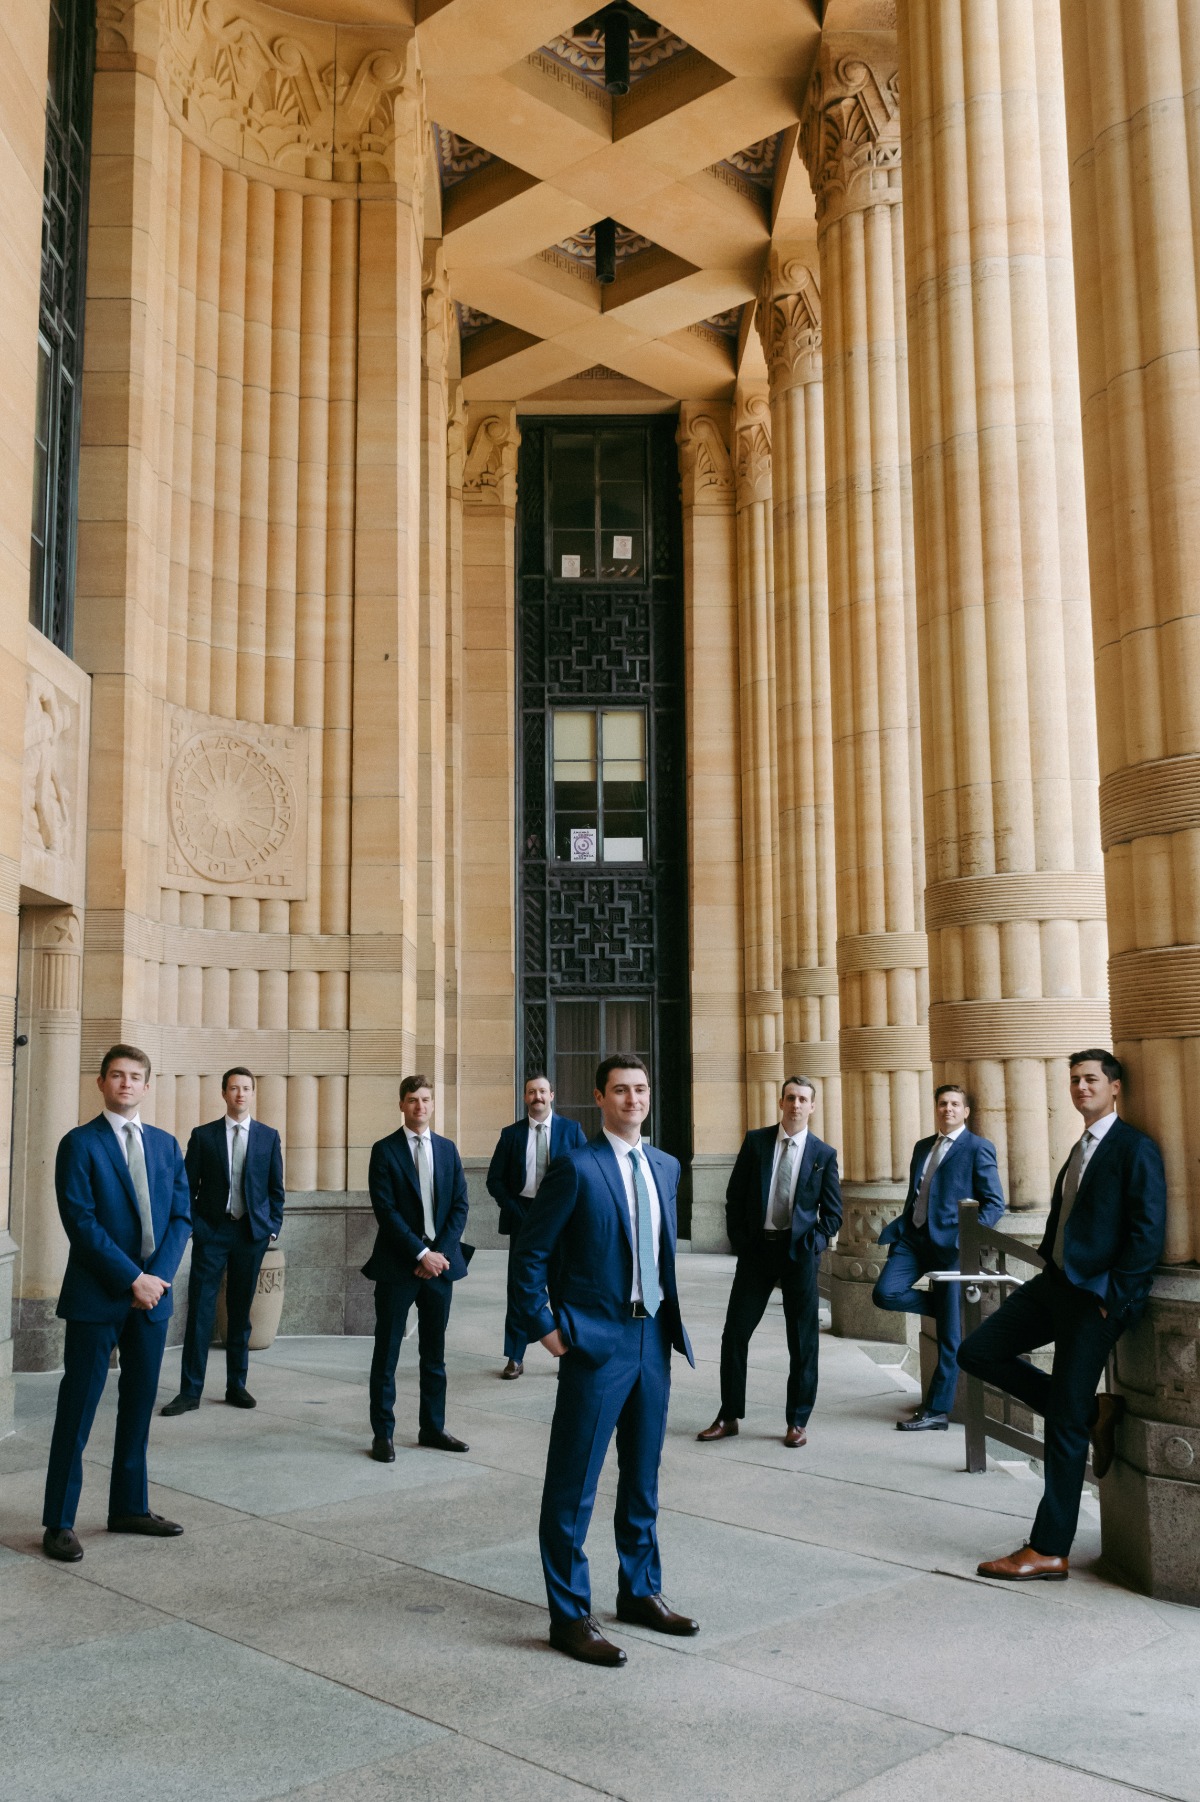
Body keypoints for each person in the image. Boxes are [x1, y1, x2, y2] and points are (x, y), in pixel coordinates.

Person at [510, 1054, 698, 1668]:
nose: (633, 1100)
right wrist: (547, 1329)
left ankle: (640, 1589)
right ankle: (569, 1615)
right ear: (600, 1098)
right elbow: (530, 1254)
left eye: (641, 1089)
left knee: (642, 1477)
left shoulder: (666, 1167)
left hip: (653, 1341)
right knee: (574, 1485)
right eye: (621, 1090)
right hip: (595, 1342)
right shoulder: (576, 1166)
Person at [959, 1050, 1167, 1581]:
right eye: (1074, 1080)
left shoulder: (1134, 1147)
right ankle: (1085, 1410)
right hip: (1053, 1286)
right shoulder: (1079, 1147)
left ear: (1115, 1087)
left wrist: (1112, 1298)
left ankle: (1049, 1547)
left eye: (1090, 1079)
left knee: (1063, 1429)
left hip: (1095, 1300)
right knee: (977, 1350)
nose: (1080, 1087)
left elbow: (1147, 1232)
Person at [41, 1046, 192, 1562]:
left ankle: (129, 1507)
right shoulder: (79, 1144)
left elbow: (181, 1219)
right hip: (97, 1297)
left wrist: (157, 1279)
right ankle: (59, 1521)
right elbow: (81, 1223)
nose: (126, 1084)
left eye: (135, 1077)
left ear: (148, 1086)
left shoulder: (168, 1146)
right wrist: (133, 1279)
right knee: (77, 1408)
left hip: (153, 1299)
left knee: (138, 1407)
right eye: (117, 1076)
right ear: (101, 1083)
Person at [697, 1075, 842, 1448]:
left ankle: (797, 1421)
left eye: (803, 1099)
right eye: (790, 1098)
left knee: (803, 1342)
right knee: (735, 1333)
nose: (796, 1105)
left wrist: (815, 1243)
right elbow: (735, 1195)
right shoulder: (757, 1142)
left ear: (812, 1107)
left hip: (799, 1256)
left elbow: (833, 1214)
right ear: (781, 1103)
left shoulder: (823, 1155)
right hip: (758, 1252)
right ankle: (729, 1416)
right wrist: (741, 1240)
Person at [872, 1084, 1006, 1431]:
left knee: (950, 1337)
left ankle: (937, 1410)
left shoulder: (978, 1148)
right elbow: (916, 1193)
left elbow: (994, 1204)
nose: (948, 1109)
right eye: (943, 1103)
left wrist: (965, 1238)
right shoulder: (922, 1147)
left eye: (955, 1104)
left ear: (966, 1112)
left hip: (951, 1247)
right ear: (937, 1109)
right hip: (913, 1238)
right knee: (885, 1293)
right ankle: (949, 1307)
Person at [160, 1068, 286, 1416]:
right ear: (224, 1093)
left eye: (246, 1088)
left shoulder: (268, 1136)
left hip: (250, 1235)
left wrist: (272, 1228)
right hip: (212, 1233)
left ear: (253, 1093)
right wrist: (196, 1228)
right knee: (200, 1312)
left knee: (240, 1313)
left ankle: (236, 1385)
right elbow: (185, 1187)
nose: (240, 1094)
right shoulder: (204, 1136)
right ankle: (189, 1391)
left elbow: (276, 1190)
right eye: (234, 1088)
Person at [362, 1074, 472, 1461]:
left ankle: (432, 1428)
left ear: (432, 1104)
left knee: (435, 1354)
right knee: (387, 1352)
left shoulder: (447, 1149)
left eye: (425, 1099)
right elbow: (386, 1211)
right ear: (401, 1104)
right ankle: (383, 1434)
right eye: (412, 1100)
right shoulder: (384, 1150)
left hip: (440, 1268)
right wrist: (419, 1254)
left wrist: (437, 1254)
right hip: (398, 1267)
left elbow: (460, 1206)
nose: (419, 1106)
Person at [485, 1074, 586, 1378]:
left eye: (542, 1091)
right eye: (531, 1092)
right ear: (525, 1097)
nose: (537, 1096)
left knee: (562, 1287)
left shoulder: (572, 1130)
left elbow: (585, 1174)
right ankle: (515, 1356)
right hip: (524, 1216)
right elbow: (494, 1180)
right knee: (520, 1288)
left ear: (552, 1095)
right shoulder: (511, 1135)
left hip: (561, 1218)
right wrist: (515, 1210)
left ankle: (568, 1353)